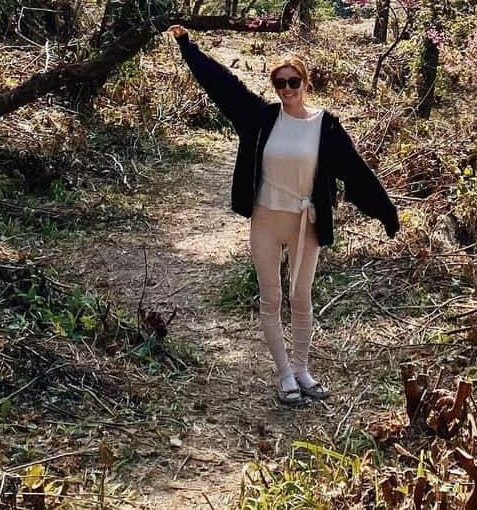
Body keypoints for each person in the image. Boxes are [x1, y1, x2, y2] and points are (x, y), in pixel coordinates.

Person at [167, 25, 399, 407]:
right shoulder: (260, 117)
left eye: (293, 82)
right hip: (266, 218)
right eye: (280, 84)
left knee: (301, 296)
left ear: (305, 82)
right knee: (271, 299)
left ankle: (304, 368)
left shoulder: (325, 125)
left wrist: (385, 213)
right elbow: (221, 84)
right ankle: (285, 375)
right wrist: (186, 47)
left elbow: (355, 170)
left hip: (306, 221)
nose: (287, 90)